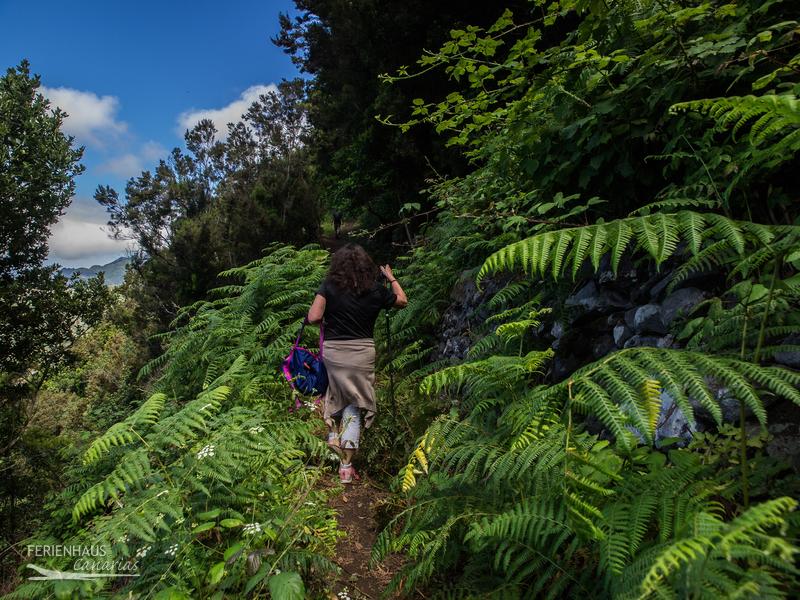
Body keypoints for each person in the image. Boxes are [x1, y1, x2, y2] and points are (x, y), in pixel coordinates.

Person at [305, 243, 408, 483]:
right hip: (362, 353)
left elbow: (313, 317)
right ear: (367, 266)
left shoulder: (329, 286)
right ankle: (346, 468)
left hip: (334, 353)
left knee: (334, 393)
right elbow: (402, 301)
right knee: (355, 404)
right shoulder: (375, 288)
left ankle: (332, 434)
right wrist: (391, 279)